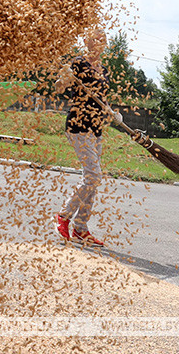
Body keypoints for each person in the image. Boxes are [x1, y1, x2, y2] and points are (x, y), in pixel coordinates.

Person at [53, 29, 122, 248]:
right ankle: (63, 216)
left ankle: (81, 229)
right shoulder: (78, 63)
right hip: (78, 125)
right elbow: (58, 87)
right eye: (95, 39)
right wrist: (64, 77)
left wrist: (112, 113)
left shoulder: (104, 70)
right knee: (93, 176)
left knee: (92, 181)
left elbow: (100, 99)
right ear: (86, 41)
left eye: (103, 40)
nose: (99, 43)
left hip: (96, 128)